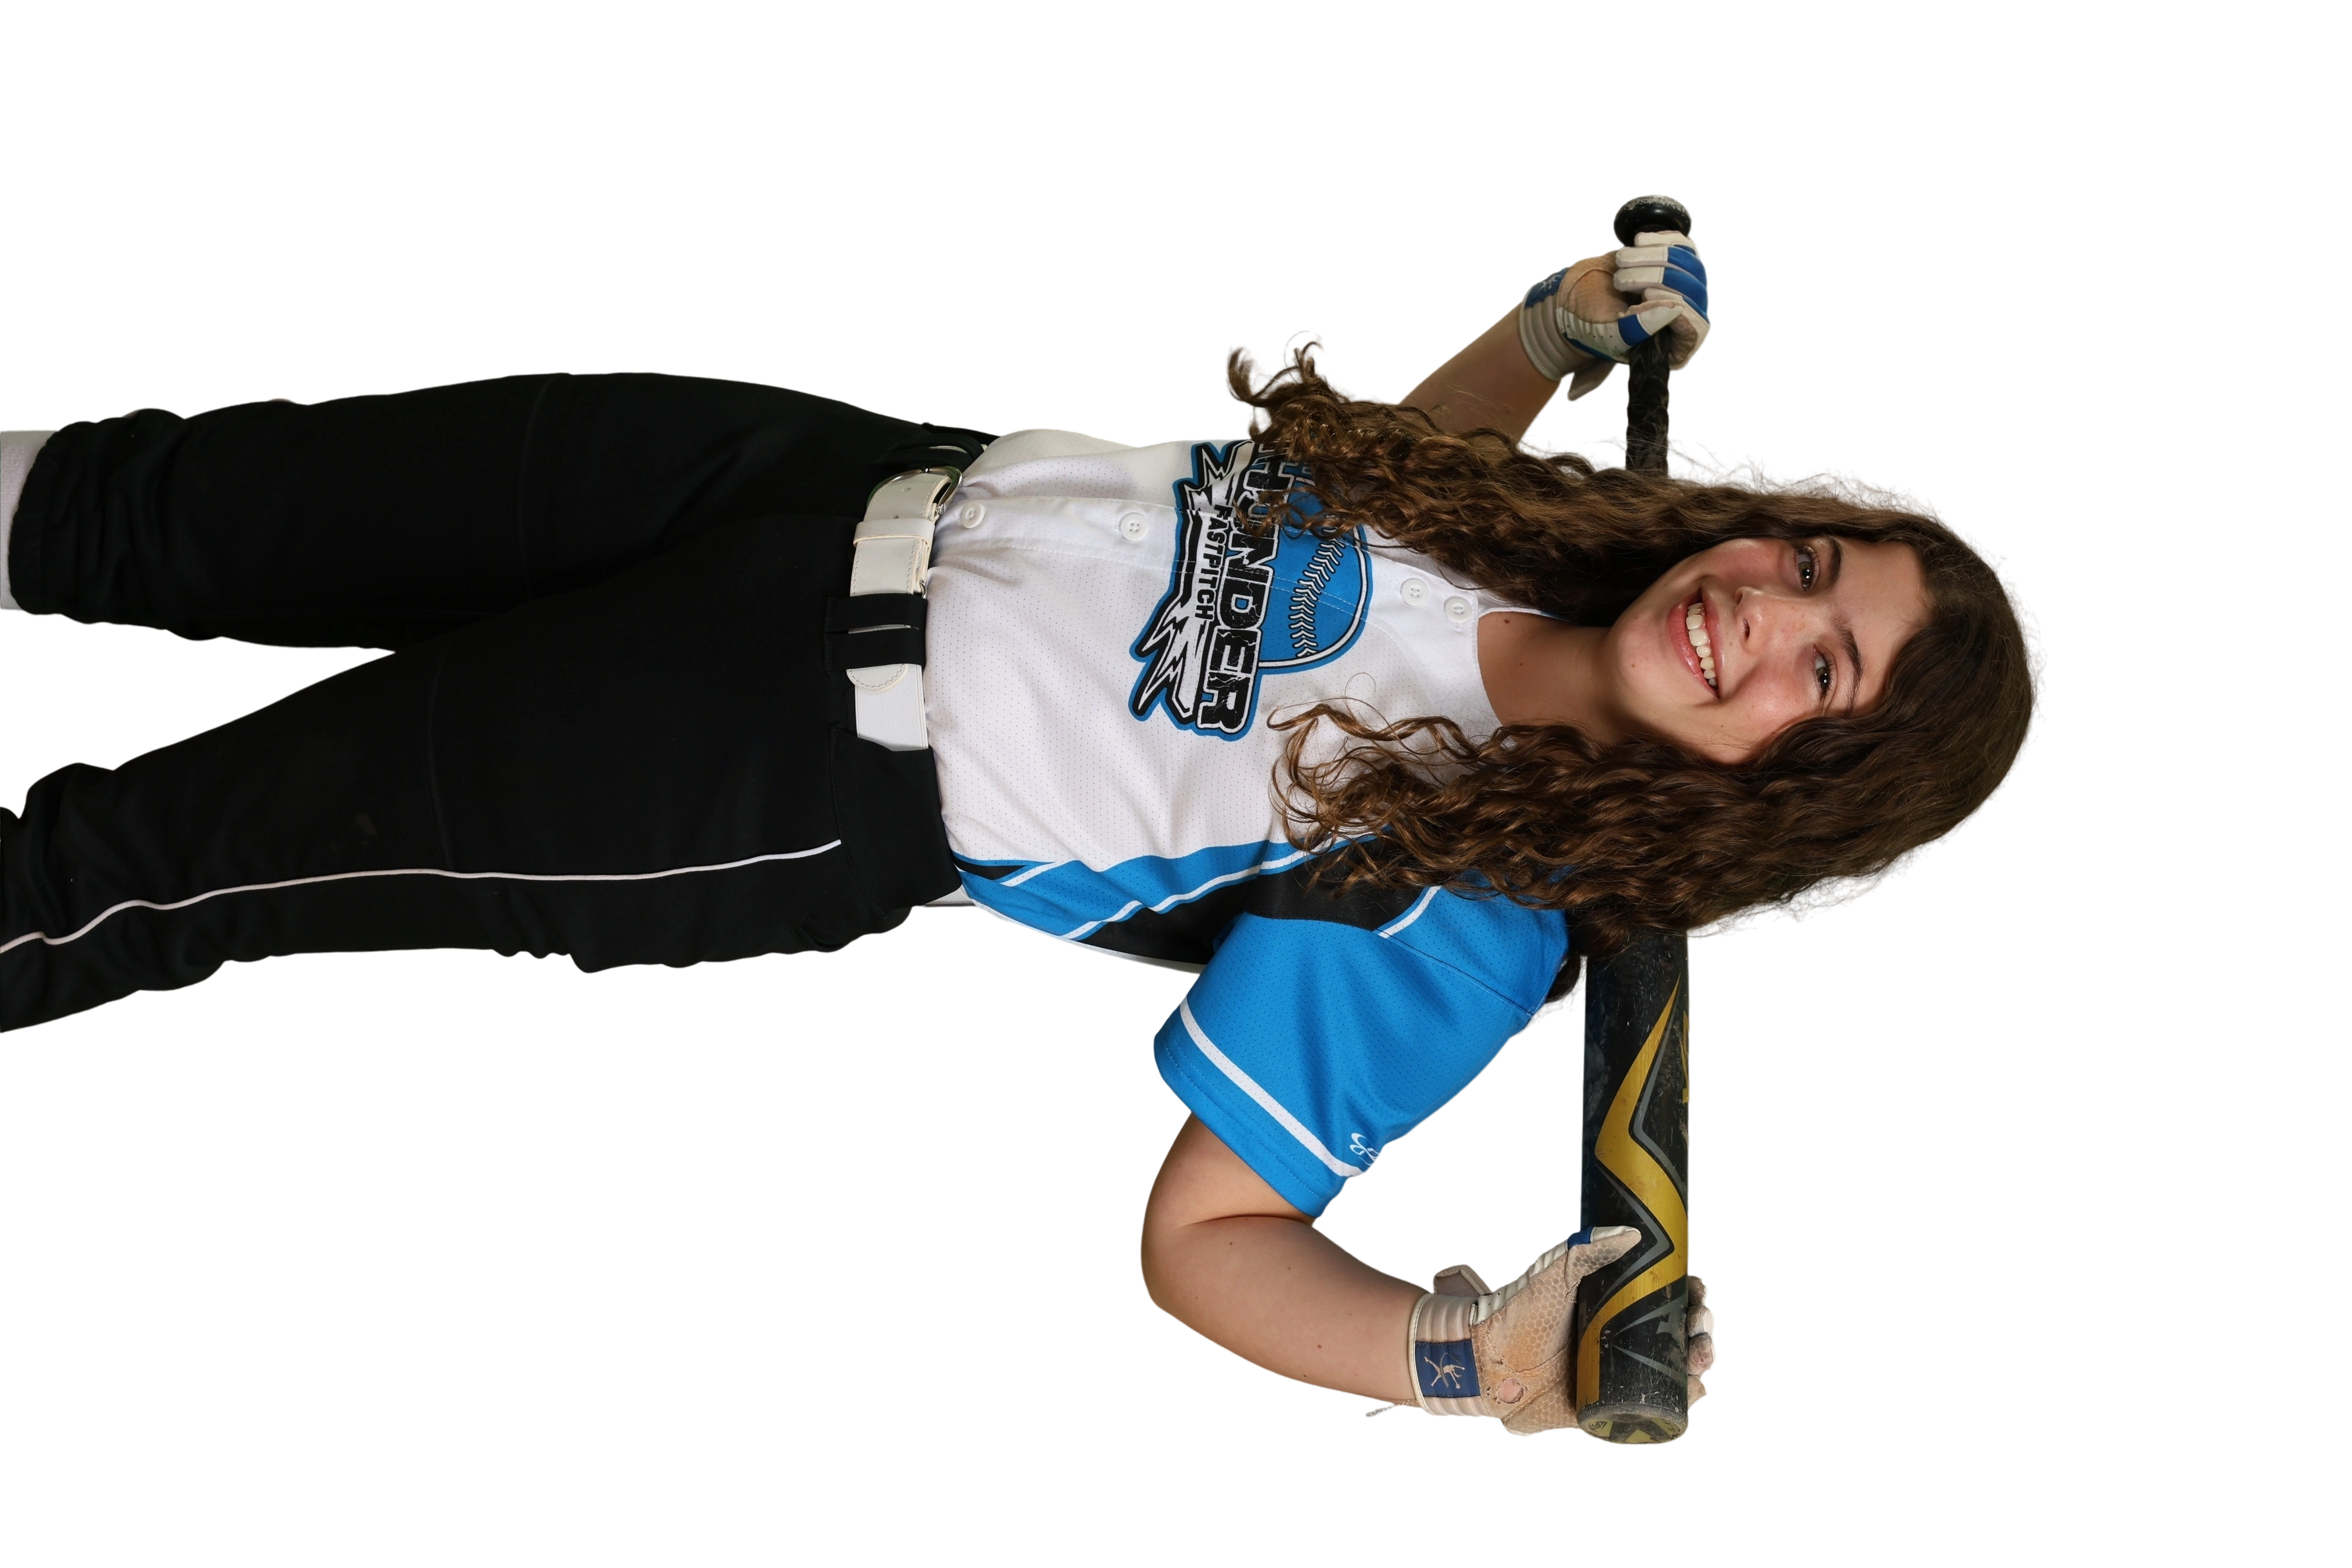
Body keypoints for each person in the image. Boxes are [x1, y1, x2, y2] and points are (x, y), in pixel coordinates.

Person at [0, 233, 2047, 1435]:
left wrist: (1471, 1353)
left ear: (1808, 792)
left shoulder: (1465, 909)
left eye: (1829, 674)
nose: (1764, 616)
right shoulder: (1527, 536)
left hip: (759, 759)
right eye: (1809, 563)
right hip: (792, 482)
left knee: (126, 869)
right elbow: (1394, 479)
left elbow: (1207, 1244)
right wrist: (1551, 333)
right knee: (144, 503)